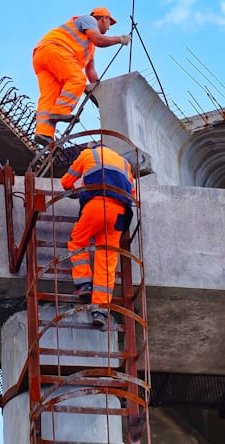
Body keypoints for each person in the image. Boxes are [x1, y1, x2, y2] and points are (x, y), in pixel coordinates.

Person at [61, 141, 136, 329]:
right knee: (107, 259)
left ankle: (84, 283)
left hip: (96, 206)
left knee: (78, 242)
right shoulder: (124, 163)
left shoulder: (88, 155)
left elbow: (66, 182)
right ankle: (101, 311)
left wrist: (75, 192)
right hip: (119, 213)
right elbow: (132, 192)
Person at [31, 8, 131, 146]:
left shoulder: (90, 47)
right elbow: (99, 40)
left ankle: (43, 133)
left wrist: (100, 99)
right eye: (110, 23)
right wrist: (120, 39)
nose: (109, 28)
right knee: (77, 79)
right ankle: (62, 110)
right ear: (103, 18)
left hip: (42, 56)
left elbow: (92, 73)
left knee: (50, 96)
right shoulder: (88, 20)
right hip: (55, 49)